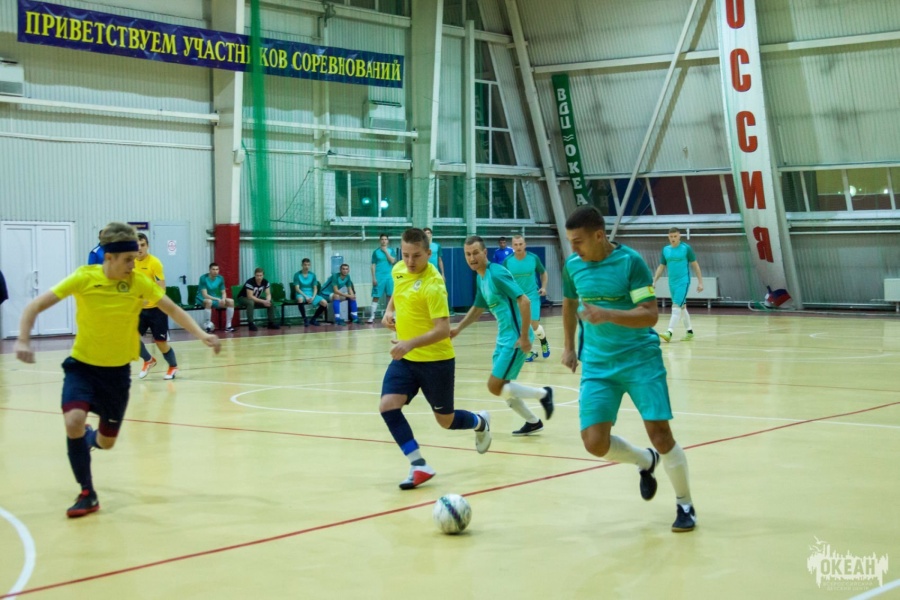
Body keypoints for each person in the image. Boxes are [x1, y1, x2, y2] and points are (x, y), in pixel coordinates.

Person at [14, 222, 221, 518]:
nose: (133, 265)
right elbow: (34, 306)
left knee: (106, 442)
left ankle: (90, 439)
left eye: (135, 258)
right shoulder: (84, 277)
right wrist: (23, 340)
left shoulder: (138, 283)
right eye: (127, 259)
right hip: (82, 367)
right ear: (109, 258)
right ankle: (87, 493)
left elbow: (172, 309)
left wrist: (202, 335)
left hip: (116, 375)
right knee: (73, 420)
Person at [561, 206, 696, 532]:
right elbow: (569, 304)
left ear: (599, 235)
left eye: (578, 241)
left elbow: (650, 314)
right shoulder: (573, 266)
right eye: (570, 242)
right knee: (594, 442)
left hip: (639, 360)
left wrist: (608, 314)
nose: (573, 249)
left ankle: (685, 504)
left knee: (660, 434)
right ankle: (644, 460)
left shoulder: (630, 262)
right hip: (598, 363)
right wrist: (568, 346)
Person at [379, 228, 490, 490]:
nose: (410, 261)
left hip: (436, 361)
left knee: (445, 421)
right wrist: (388, 311)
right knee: (387, 406)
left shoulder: (434, 284)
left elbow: (442, 330)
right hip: (406, 359)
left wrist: (409, 343)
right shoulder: (398, 269)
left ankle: (480, 421)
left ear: (429, 253)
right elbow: (398, 290)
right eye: (405, 255)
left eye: (416, 256)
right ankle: (418, 464)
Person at [452, 236, 554, 436]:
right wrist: (458, 328)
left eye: (475, 253)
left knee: (495, 386)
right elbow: (478, 308)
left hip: (515, 338)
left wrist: (524, 337)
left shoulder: (496, 273)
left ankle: (543, 394)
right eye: (468, 254)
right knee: (504, 387)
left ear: (485, 253)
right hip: (503, 337)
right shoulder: (481, 277)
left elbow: (524, 301)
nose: (472, 258)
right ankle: (533, 422)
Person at [135, 233, 179, 380]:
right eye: (136, 245)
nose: (139, 248)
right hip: (139, 310)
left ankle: (173, 366)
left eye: (142, 245)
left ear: (147, 246)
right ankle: (148, 360)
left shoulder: (155, 263)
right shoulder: (130, 263)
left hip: (157, 309)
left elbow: (161, 288)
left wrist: (148, 299)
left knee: (160, 342)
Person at [504, 234, 551, 362]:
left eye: (520, 244)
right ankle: (531, 352)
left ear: (525, 245)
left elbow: (543, 272)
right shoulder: (507, 261)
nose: (518, 247)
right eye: (515, 244)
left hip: (532, 296)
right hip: (517, 297)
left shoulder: (533, 258)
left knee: (533, 324)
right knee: (521, 326)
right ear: (512, 246)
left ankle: (543, 341)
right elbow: (504, 279)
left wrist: (544, 287)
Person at [652, 228, 703, 342]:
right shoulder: (665, 250)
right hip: (672, 283)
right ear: (668, 237)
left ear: (679, 236)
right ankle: (689, 332)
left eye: (675, 236)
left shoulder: (686, 248)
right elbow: (661, 266)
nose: (673, 238)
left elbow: (695, 265)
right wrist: (654, 281)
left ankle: (669, 332)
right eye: (671, 236)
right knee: (682, 307)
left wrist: (700, 282)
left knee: (675, 306)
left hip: (683, 281)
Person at [196, 262, 235, 333]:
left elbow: (223, 292)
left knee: (231, 301)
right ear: (209, 270)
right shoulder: (203, 278)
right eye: (213, 269)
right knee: (209, 301)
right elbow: (205, 295)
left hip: (214, 298)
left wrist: (223, 299)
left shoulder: (220, 278)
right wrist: (217, 299)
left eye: (217, 269)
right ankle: (207, 325)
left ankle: (228, 326)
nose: (215, 271)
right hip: (202, 298)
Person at [368, 233, 397, 324]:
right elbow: (373, 265)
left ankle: (390, 316)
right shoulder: (376, 252)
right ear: (379, 241)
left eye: (385, 239)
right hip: (379, 276)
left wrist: (386, 251)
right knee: (376, 296)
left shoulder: (391, 251)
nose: (384, 241)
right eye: (382, 239)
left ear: (388, 241)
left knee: (390, 296)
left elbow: (392, 261)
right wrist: (374, 278)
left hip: (389, 276)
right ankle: (372, 316)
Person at [292, 258, 327, 326]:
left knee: (324, 303)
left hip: (311, 293)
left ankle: (313, 319)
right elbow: (297, 288)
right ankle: (305, 319)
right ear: (302, 265)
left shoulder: (313, 275)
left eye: (308, 265)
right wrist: (306, 296)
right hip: (301, 293)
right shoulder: (297, 275)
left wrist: (313, 297)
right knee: (300, 299)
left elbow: (315, 288)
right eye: (305, 265)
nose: (307, 266)